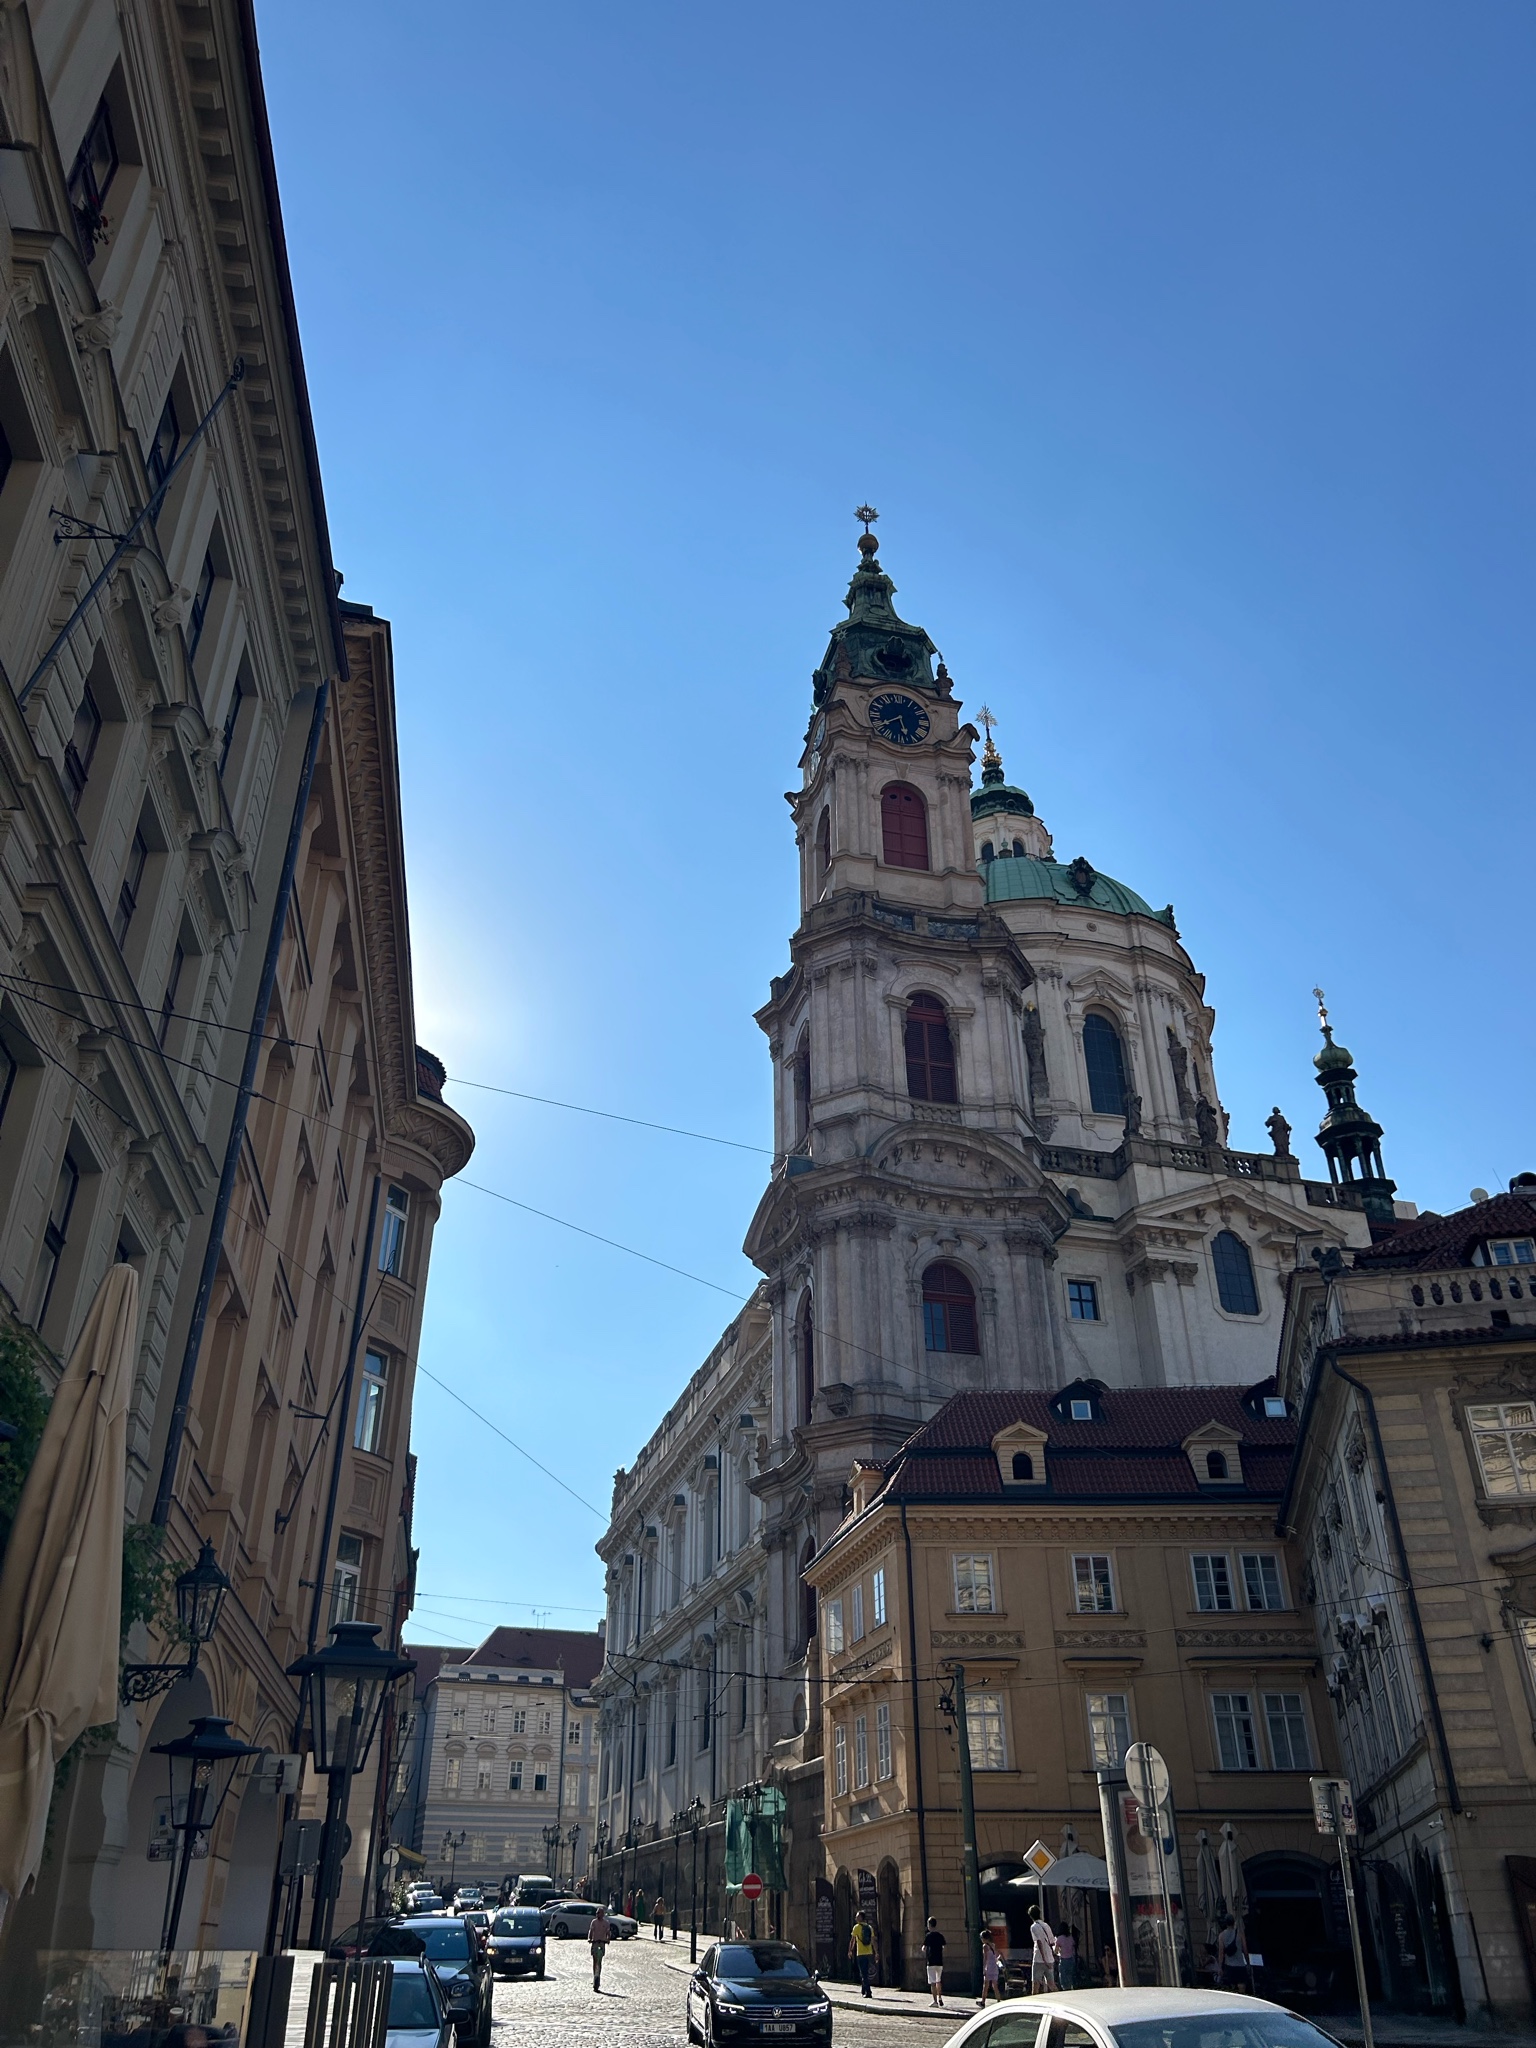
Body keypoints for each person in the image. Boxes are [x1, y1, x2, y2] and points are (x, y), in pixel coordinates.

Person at [849, 1909, 876, 1997]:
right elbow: (873, 1941)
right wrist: (876, 1952)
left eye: (857, 1916)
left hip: (860, 1953)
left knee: (863, 1973)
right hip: (869, 1953)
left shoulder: (856, 1927)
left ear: (861, 1917)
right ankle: (863, 1990)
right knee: (865, 1972)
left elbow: (852, 1940)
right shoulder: (869, 1927)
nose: (855, 1918)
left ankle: (868, 1992)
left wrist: (850, 1950)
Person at [1030, 1911, 1058, 1991]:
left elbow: (1039, 1942)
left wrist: (1044, 1958)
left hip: (1039, 1959)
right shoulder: (1046, 1926)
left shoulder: (1034, 1927)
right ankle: (1061, 1998)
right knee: (1052, 1985)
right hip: (1049, 1959)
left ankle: (1034, 2002)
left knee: (1035, 1984)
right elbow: (1052, 1941)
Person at [922, 1916, 947, 2006]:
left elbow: (924, 1948)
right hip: (939, 1961)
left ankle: (935, 2001)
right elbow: (943, 1946)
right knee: (938, 1981)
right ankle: (940, 1997)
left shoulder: (928, 1936)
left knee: (932, 1982)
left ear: (929, 1925)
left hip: (931, 1961)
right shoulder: (940, 1936)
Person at [589, 1903, 614, 1991]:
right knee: (595, 1960)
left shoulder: (606, 1923)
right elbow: (591, 1931)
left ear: (602, 1914)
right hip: (595, 1942)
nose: (597, 1914)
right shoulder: (594, 1922)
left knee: (600, 1960)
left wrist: (608, 1939)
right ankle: (594, 1976)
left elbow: (608, 1933)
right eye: (597, 1913)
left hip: (602, 1943)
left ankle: (598, 1976)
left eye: (599, 1913)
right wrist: (590, 1938)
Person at [1217, 1914, 1249, 1983]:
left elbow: (1221, 1953)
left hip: (1229, 1965)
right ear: (1234, 1922)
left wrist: (1220, 1967)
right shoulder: (1240, 1934)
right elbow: (1245, 1950)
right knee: (1242, 1986)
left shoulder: (1221, 1936)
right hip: (1240, 1964)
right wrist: (1248, 1963)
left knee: (1231, 1987)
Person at [980, 1935, 1002, 2003]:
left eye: (982, 1938)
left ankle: (983, 2001)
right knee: (995, 1985)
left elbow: (985, 1958)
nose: (981, 1939)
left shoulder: (985, 1946)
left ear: (985, 1939)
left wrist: (984, 1968)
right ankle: (998, 2000)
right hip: (994, 1967)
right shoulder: (993, 1945)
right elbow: (995, 1955)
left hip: (989, 1967)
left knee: (986, 1985)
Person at [1056, 1924, 1078, 1990]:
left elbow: (1056, 1951)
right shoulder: (1070, 1937)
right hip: (1071, 1959)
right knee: (1070, 1976)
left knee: (1063, 1978)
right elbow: (1073, 1946)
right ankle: (1071, 1988)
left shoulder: (1059, 1938)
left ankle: (1066, 1990)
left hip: (1063, 1959)